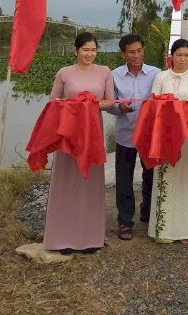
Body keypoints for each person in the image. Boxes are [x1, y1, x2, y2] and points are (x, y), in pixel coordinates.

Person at [43, 32, 115, 253]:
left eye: (93, 50)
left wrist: (91, 104)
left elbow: (110, 101)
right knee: (66, 182)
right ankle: (62, 238)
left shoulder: (104, 72)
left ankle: (89, 239)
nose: (90, 54)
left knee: (89, 182)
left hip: (92, 132)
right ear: (76, 51)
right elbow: (53, 101)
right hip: (69, 133)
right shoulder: (64, 73)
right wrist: (73, 104)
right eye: (85, 50)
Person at [147, 39, 188, 244]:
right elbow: (153, 103)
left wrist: (179, 108)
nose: (182, 59)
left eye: (186, 55)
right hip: (166, 134)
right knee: (167, 175)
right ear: (172, 56)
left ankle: (186, 230)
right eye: (179, 55)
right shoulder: (161, 77)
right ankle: (164, 228)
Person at [109, 33, 159, 241]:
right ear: (123, 54)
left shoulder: (157, 74)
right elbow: (108, 104)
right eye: (131, 52)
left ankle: (148, 213)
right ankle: (125, 221)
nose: (136, 55)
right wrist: (119, 107)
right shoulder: (114, 76)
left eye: (139, 50)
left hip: (149, 136)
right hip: (125, 135)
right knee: (124, 179)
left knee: (150, 176)